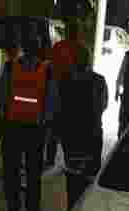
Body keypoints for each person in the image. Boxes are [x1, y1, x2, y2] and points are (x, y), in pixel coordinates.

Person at [1, 38, 58, 211]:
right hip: (34, 128)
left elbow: (3, 95)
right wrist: (46, 124)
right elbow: (50, 99)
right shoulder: (46, 70)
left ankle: (13, 208)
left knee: (13, 170)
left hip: (14, 126)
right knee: (33, 173)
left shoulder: (11, 67)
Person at [58, 45, 108, 211]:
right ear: (89, 60)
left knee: (72, 175)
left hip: (71, 135)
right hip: (92, 134)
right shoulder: (99, 80)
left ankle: (71, 209)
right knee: (90, 176)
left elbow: (60, 107)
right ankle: (84, 210)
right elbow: (103, 105)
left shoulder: (65, 81)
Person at [45, 21, 83, 168]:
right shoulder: (81, 48)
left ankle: (50, 159)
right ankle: (69, 160)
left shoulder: (58, 46)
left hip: (58, 89)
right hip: (73, 92)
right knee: (70, 129)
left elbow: (50, 65)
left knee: (54, 129)